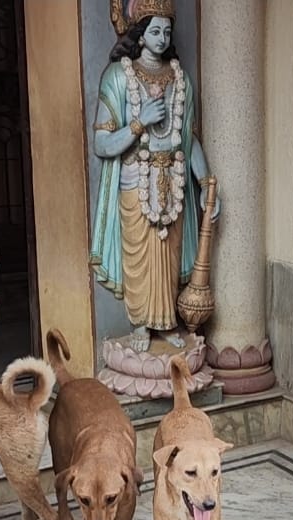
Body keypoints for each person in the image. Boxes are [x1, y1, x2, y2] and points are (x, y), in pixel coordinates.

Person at [90, 0, 220, 353]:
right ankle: (140, 324)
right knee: (140, 258)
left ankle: (165, 324)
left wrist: (206, 184)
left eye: (166, 31)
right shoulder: (118, 76)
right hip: (136, 185)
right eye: (154, 31)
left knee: (169, 255)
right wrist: (139, 121)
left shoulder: (180, 78)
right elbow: (102, 142)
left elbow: (188, 138)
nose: (161, 39)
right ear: (139, 34)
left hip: (173, 181)